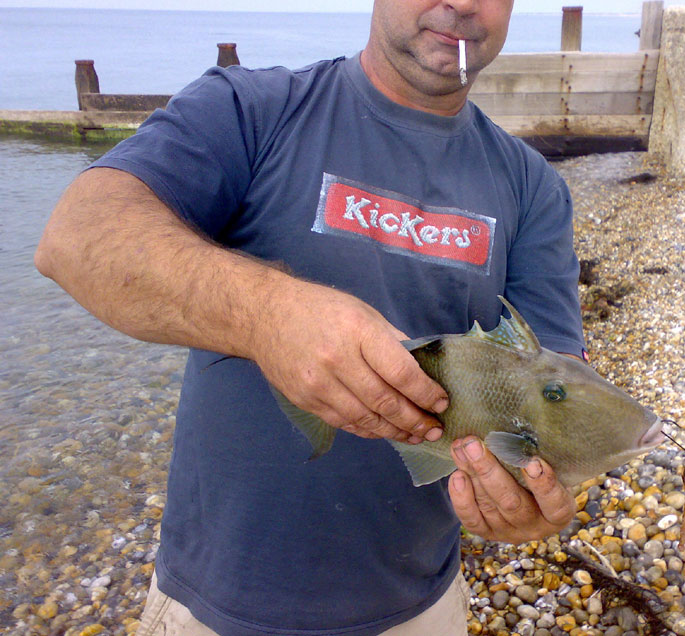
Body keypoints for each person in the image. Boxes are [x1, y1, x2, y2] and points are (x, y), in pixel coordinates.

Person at [35, 0, 587, 634]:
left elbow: (558, 388)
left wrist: (542, 497)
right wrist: (269, 315)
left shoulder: (532, 186)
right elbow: (77, 237)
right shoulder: (250, 109)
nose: (460, 3)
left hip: (419, 603)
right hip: (210, 606)